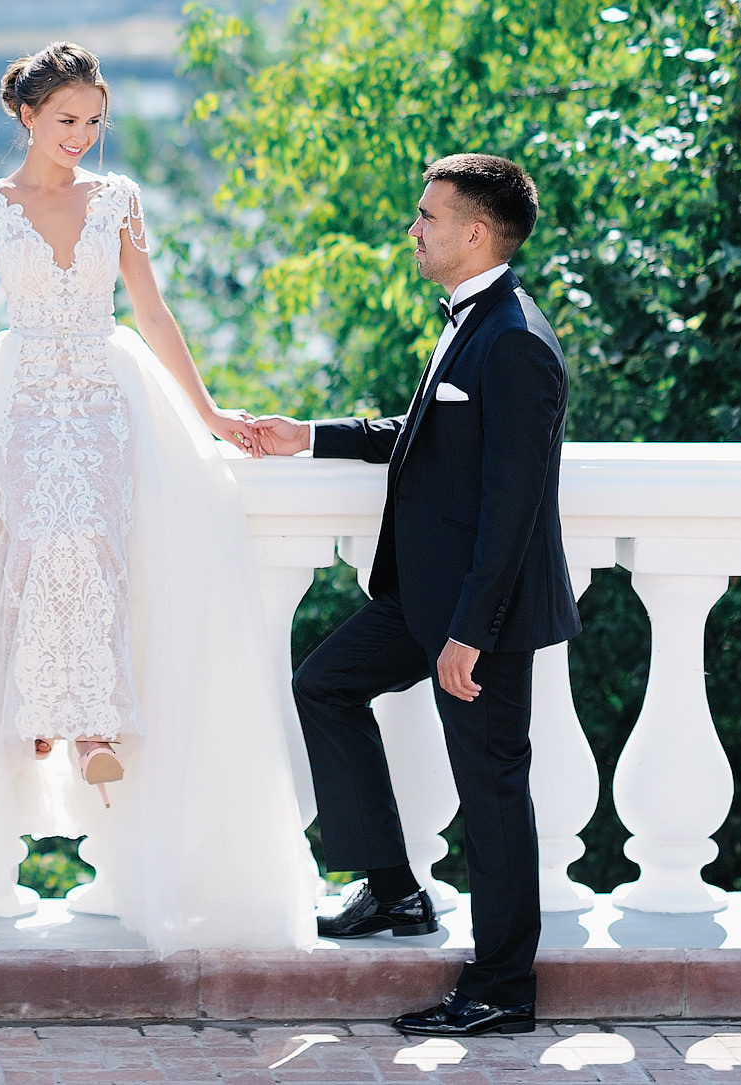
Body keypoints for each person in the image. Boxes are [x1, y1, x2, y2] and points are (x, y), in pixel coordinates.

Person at [0, 41, 318, 953]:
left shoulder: (121, 202)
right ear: (26, 116)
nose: (83, 136)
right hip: (21, 395)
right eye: (66, 119)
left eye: (94, 121)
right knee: (33, 546)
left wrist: (210, 410)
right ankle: (47, 719)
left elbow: (153, 313)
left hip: (111, 396)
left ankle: (91, 722)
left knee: (103, 551)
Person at [250, 154, 577, 1037]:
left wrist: (471, 631)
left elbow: (514, 507)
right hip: (423, 598)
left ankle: (504, 986)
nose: (414, 228)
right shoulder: (471, 323)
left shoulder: (513, 338)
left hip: (481, 617)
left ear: (475, 233)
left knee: (493, 791)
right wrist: (308, 437)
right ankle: (395, 890)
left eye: (427, 216)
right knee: (325, 682)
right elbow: (428, 434)